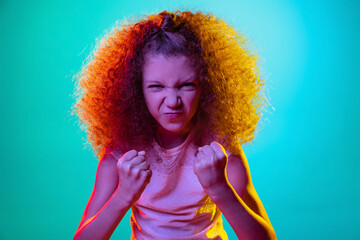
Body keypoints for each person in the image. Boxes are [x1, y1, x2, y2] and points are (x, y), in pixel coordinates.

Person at [71, 9, 276, 240]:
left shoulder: (222, 149)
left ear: (207, 87)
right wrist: (123, 196)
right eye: (157, 87)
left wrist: (221, 189)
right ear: (135, 90)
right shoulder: (120, 152)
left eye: (186, 85)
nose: (172, 102)